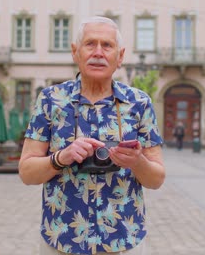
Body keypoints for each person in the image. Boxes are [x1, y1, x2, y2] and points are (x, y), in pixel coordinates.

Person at [18, 16, 165, 255]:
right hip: (62, 240)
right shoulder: (50, 100)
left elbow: (156, 179)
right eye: (90, 44)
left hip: (123, 241)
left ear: (120, 56)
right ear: (75, 52)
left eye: (107, 45)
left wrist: (137, 162)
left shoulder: (139, 103)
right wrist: (61, 158)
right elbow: (26, 173)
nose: (98, 52)